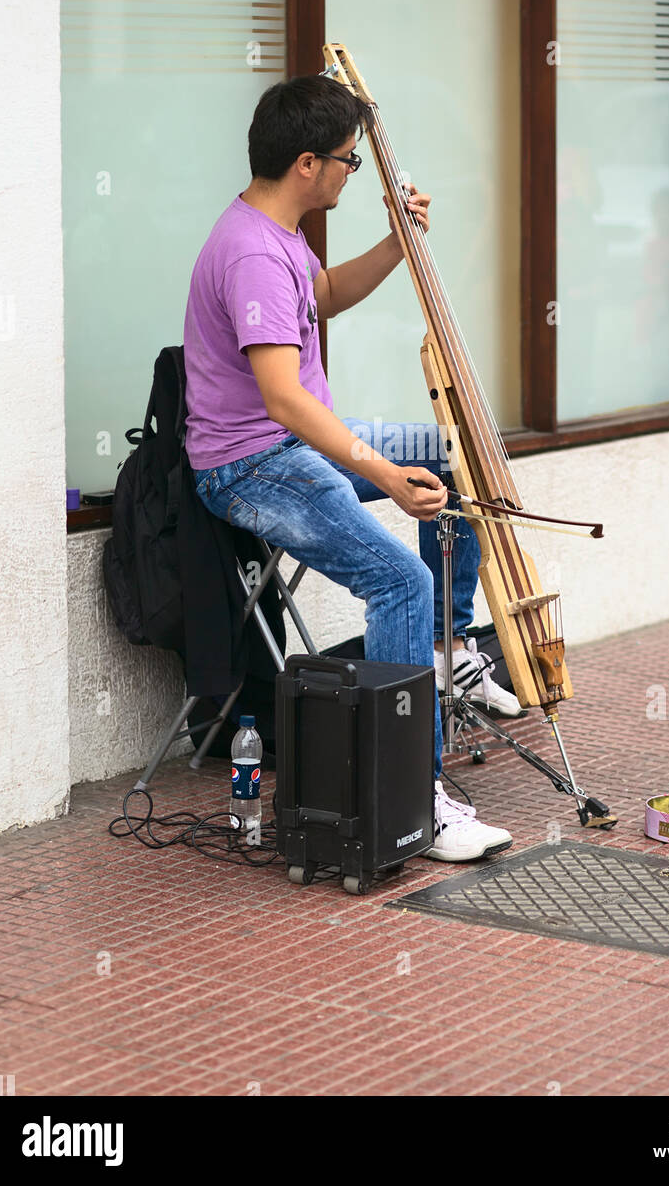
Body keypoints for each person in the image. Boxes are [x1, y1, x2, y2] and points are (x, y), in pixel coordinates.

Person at [183, 74, 518, 860]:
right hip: (254, 466)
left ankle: (447, 652)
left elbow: (323, 297)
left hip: (298, 446)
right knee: (401, 577)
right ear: (307, 163)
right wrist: (383, 475)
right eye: (347, 161)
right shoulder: (251, 253)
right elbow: (282, 402)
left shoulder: (280, 235)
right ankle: (415, 794)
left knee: (445, 456)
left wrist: (400, 244)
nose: (349, 172)